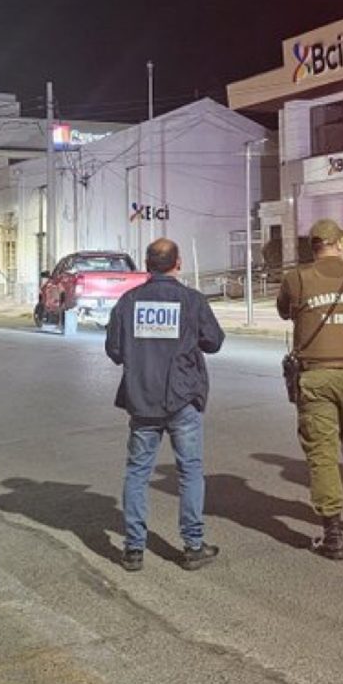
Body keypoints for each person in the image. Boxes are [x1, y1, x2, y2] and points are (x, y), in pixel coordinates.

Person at [105, 238, 225, 571]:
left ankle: (133, 550)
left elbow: (114, 350)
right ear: (178, 263)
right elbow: (214, 341)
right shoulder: (191, 300)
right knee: (190, 472)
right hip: (182, 400)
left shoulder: (128, 302)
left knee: (137, 473)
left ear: (146, 264)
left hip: (142, 400)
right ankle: (193, 545)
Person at [276, 218, 343, 560]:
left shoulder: (297, 279)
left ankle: (333, 535)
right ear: (340, 244)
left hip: (317, 378)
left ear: (314, 246)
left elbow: (283, 311)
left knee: (322, 455)